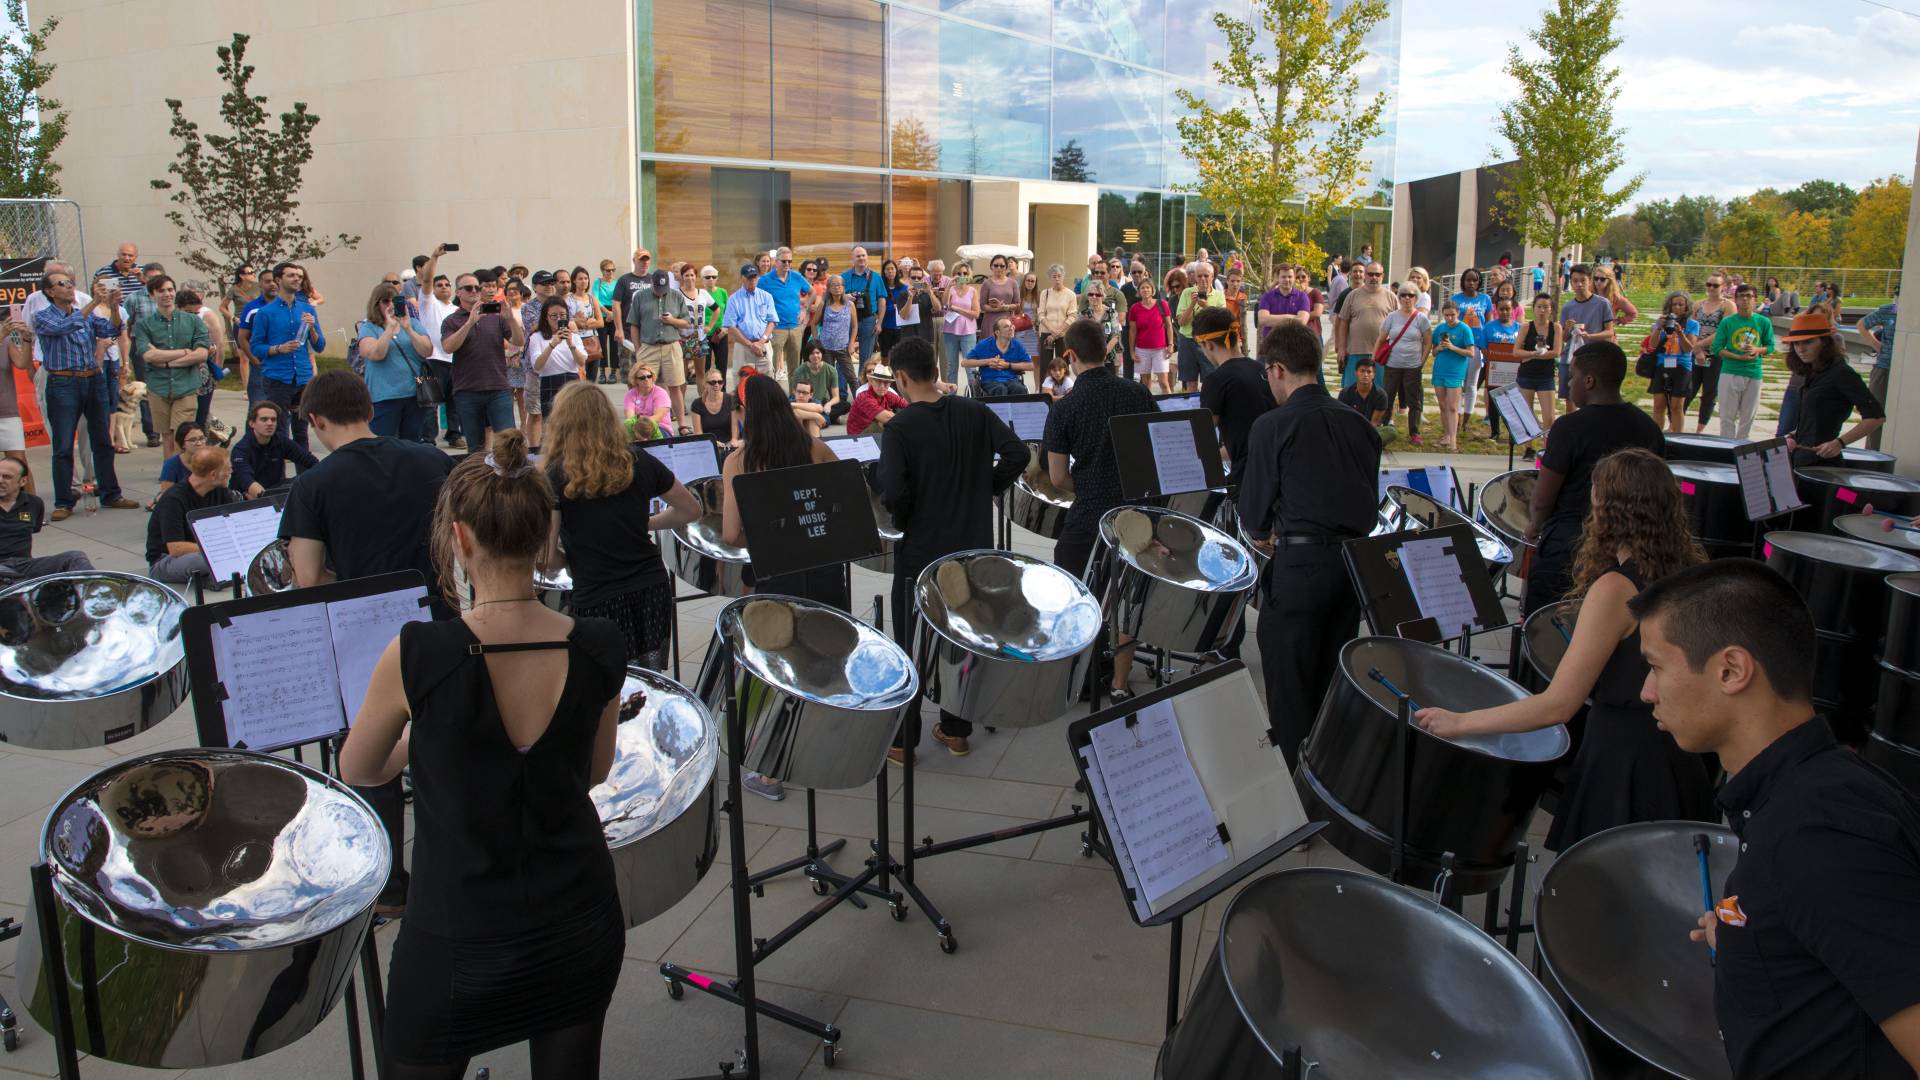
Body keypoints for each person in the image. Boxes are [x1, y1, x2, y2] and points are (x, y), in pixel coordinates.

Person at [338, 426, 625, 1080]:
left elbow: (358, 769)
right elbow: (593, 770)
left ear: (459, 540)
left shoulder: (418, 652)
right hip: (578, 916)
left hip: (455, 931)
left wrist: (423, 736)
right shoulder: (600, 643)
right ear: (546, 536)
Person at [1620, 561, 1920, 1079]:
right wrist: (1749, 938)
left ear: (1732, 670)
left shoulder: (1821, 834)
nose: (1647, 691)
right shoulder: (1805, 791)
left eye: (1656, 666)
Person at [1418, 448, 1714, 850]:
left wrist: (1460, 723)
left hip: (1625, 763)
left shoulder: (1616, 590)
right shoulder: (1689, 569)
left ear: (1609, 509)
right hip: (1676, 755)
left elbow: (1558, 705)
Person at [281, 371, 456, 921]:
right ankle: (448, 873)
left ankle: (391, 888)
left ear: (314, 421)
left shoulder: (314, 484)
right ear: (370, 408)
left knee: (371, 756)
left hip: (363, 640)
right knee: (440, 742)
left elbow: (307, 578)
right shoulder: (432, 459)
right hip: (438, 623)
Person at [1239, 323, 1383, 767]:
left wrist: (1269, 531)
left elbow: (1253, 517)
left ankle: (1297, 799)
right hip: (1353, 568)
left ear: (1277, 369)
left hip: (1301, 568)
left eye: (1268, 374)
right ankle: (1329, 782)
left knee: (1290, 685)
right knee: (1331, 678)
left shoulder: (1272, 425)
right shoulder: (1361, 425)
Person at [876, 336, 1027, 757]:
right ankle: (956, 730)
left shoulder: (900, 427)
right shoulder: (974, 411)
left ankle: (906, 741)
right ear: (937, 370)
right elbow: (1016, 454)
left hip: (923, 550)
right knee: (964, 633)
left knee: (910, 639)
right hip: (972, 549)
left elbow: (890, 491)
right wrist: (987, 489)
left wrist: (904, 515)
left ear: (902, 378)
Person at [720, 373, 848, 798]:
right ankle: (828, 746)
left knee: (778, 666)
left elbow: (732, 536)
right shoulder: (815, 448)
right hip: (825, 567)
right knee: (825, 655)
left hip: (777, 574)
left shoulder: (739, 462)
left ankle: (774, 770)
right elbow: (844, 499)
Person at [542, 381, 699, 670]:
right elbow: (690, 509)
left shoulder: (555, 475)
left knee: (603, 689)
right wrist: (646, 524)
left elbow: (547, 559)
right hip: (649, 588)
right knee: (646, 687)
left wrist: (573, 558)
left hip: (596, 594)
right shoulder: (637, 459)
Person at [1524, 341, 1665, 616]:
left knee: (1545, 628)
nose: (1569, 383)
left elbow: (1542, 499)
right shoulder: (1649, 427)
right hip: (1630, 549)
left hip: (1570, 546)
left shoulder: (1569, 427)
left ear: (1589, 381)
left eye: (1573, 376)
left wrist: (1534, 525)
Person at [1041, 318, 1157, 578]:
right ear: (1106, 352)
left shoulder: (1064, 408)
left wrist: (1093, 485)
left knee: (1071, 576)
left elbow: (1058, 477)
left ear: (1070, 355)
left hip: (1090, 517)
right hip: (1140, 517)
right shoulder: (1139, 393)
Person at [32, 267, 136, 519]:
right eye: (62, 283)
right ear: (50, 291)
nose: (69, 287)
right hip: (63, 383)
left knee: (102, 440)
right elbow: (65, 326)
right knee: (63, 444)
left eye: (70, 283)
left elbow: (111, 329)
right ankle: (64, 501)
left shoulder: (86, 315)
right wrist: (96, 302)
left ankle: (111, 493)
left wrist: (111, 306)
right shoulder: (43, 316)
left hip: (93, 380)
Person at [1782, 310, 1884, 466]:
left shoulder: (1841, 373)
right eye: (1796, 343)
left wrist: (1839, 443)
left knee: (1846, 492)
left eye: (1808, 342)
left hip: (1824, 465)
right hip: (1802, 459)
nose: (1801, 349)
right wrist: (1798, 433)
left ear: (1824, 342)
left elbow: (1876, 417)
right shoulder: (1813, 371)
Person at [441, 270, 525, 451]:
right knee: (476, 449)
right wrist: (469, 323)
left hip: (499, 388)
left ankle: (510, 478)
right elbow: (448, 347)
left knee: (509, 444)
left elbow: (519, 341)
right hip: (467, 391)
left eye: (476, 288)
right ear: (459, 292)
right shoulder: (451, 320)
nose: (474, 291)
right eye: (468, 288)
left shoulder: (496, 316)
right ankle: (480, 479)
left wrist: (510, 320)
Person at [130, 275, 210, 461]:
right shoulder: (144, 325)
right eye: (161, 291)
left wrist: (165, 360)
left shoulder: (192, 321)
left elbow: (201, 354)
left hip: (186, 386)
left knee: (181, 437)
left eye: (170, 289)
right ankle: (169, 480)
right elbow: (148, 355)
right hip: (158, 387)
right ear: (152, 295)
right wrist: (184, 352)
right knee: (166, 437)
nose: (167, 294)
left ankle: (181, 478)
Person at [248, 263, 325, 450]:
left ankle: (304, 478)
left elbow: (320, 345)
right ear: (278, 280)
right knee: (278, 431)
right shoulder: (265, 313)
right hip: (277, 378)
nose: (297, 279)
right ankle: (277, 477)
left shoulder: (307, 309)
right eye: (291, 275)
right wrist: (278, 349)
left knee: (301, 433)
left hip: (303, 377)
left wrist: (313, 327)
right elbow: (256, 347)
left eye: (299, 276)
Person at [1197, 306, 1275, 476]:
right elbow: (1245, 438)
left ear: (1208, 345)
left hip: (1247, 476)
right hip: (1275, 466)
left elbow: (1203, 436)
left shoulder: (1216, 381)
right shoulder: (1263, 369)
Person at [144, 447, 238, 582]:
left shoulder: (221, 491)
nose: (231, 472)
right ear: (213, 475)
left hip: (208, 551)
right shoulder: (173, 500)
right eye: (227, 469)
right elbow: (176, 548)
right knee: (204, 561)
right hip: (166, 561)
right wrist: (216, 548)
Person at [358, 283, 436, 443]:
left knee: (411, 442)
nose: (391, 305)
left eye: (395, 300)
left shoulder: (413, 323)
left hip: (414, 395)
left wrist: (408, 329)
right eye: (385, 301)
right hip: (384, 396)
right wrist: (389, 329)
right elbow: (376, 354)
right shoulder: (369, 327)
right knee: (382, 443)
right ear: (376, 304)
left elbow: (427, 350)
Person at [0, 458, 93, 584]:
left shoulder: (34, 503)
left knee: (75, 558)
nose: (0, 480)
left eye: (6, 477)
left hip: (24, 565)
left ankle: (92, 595)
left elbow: (35, 529)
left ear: (22, 481)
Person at [1705, 284, 1774, 440]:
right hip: (1730, 371)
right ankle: (1726, 449)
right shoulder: (1728, 322)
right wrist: (1737, 357)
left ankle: (1743, 448)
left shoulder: (1763, 322)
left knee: (1747, 417)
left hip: (1753, 372)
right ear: (1735, 299)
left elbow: (1770, 346)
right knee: (1727, 417)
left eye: (1749, 296)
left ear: (1755, 299)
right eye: (1741, 296)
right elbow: (1716, 348)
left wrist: (1757, 350)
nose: (1745, 300)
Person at [528, 296, 589, 443]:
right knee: (552, 426)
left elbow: (581, 361)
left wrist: (570, 343)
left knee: (575, 425)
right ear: (546, 317)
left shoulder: (573, 337)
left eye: (562, 316)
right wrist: (552, 344)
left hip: (571, 381)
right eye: (553, 316)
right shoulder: (537, 337)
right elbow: (537, 366)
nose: (558, 319)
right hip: (550, 381)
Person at [1377, 284, 1431, 446]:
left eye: (1411, 295)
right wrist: (1374, 359)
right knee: (1387, 396)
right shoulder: (1392, 317)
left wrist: (1421, 362)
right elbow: (1381, 339)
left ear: (1416, 298)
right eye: (1403, 295)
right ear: (1399, 298)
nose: (1407, 298)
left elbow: (1428, 342)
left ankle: (1414, 432)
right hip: (1392, 364)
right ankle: (1385, 428)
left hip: (1412, 365)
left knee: (1414, 401)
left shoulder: (1421, 318)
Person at [1558, 265, 1616, 411]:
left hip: (1593, 357)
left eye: (1583, 280)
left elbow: (1609, 332)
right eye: (1575, 281)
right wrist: (1568, 328)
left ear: (1589, 281)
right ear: (1570, 282)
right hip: (1571, 357)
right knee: (1570, 397)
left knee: (1592, 396)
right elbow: (1564, 338)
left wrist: (1590, 336)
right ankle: (1571, 428)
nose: (1579, 284)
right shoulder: (1567, 307)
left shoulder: (1602, 303)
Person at [1687, 273, 1737, 433]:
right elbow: (1691, 327)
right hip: (1695, 351)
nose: (1711, 288)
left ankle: (1700, 429)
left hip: (1715, 353)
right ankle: (1676, 422)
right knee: (1688, 389)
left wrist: (1700, 345)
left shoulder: (1727, 306)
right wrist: (1696, 348)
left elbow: (1723, 330)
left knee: (1709, 392)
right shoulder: (1698, 304)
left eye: (1715, 285)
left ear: (1723, 287)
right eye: (1709, 284)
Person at [1646, 291, 1699, 434]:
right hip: (1662, 364)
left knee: (1676, 405)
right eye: (1674, 304)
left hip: (1681, 365)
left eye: (1680, 304)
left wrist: (1680, 333)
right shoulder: (1661, 322)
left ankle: (1678, 436)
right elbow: (1653, 344)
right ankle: (1657, 436)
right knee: (1658, 404)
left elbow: (1689, 348)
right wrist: (1658, 328)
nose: (1677, 307)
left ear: (1686, 307)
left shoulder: (1692, 324)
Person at [1333, 262, 1393, 389]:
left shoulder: (1391, 297)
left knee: (1380, 391)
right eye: (1370, 274)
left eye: (1377, 274)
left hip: (1381, 353)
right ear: (1365, 275)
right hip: (1355, 351)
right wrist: (1341, 347)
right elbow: (1343, 322)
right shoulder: (1352, 295)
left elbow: (1398, 324)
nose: (1374, 277)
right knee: (1351, 390)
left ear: (1383, 276)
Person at [721, 264, 776, 393]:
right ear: (742, 278)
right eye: (749, 278)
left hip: (764, 345)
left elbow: (772, 321)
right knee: (742, 383)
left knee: (767, 382)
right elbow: (730, 326)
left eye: (755, 278)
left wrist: (761, 342)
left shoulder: (766, 296)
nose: (752, 281)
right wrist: (751, 345)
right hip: (743, 347)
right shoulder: (733, 299)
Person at [1429, 301, 1475, 450]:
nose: (1449, 318)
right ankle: (1447, 435)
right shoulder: (1440, 328)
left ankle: (1453, 439)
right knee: (1442, 405)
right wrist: (1439, 348)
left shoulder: (1464, 329)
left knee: (1453, 406)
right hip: (1440, 370)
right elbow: (1433, 352)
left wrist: (1453, 347)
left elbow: (1471, 353)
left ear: (1458, 313)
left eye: (1452, 315)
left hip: (1455, 372)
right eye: (1447, 315)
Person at [1174, 262, 1226, 390]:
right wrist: (1192, 304)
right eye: (1200, 276)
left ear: (1212, 277)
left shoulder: (1219, 296)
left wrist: (1205, 306)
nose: (1203, 279)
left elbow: (1222, 321)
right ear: (1195, 277)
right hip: (1187, 340)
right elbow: (1181, 322)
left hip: (1209, 342)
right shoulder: (1187, 293)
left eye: (1206, 276)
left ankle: (1206, 407)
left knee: (1210, 379)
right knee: (1190, 381)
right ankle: (1193, 409)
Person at [759, 247, 808, 381]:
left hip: (795, 326)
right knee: (772, 367)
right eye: (784, 261)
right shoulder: (765, 280)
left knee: (795, 367)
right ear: (776, 261)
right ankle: (773, 398)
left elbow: (812, 292)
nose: (787, 264)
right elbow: (756, 298)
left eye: (789, 261)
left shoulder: (796, 276)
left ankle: (793, 397)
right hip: (776, 327)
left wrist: (805, 309)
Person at [1857, 301, 1897, 451]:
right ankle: (1873, 453)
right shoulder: (1890, 310)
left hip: (1907, 370)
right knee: (1875, 414)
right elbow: (1862, 325)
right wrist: (1877, 346)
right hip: (1884, 368)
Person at [963, 316, 1034, 397]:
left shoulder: (1017, 345)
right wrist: (988, 361)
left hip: (1012, 379)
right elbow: (965, 363)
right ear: (997, 332)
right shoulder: (984, 344)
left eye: (1011, 326)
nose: (1011, 328)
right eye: (1006, 327)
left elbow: (1031, 366)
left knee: (1019, 389)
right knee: (1000, 389)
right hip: (990, 380)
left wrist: (1008, 365)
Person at [1128, 275, 1175, 394]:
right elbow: (1132, 331)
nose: (1145, 290)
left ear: (1153, 290)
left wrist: (1170, 344)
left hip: (1160, 349)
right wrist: (1132, 351)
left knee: (1164, 383)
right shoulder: (1135, 308)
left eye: (1148, 287)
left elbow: (1169, 326)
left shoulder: (1162, 304)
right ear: (1138, 291)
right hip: (1142, 350)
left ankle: (1169, 409)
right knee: (1145, 383)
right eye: (1142, 288)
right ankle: (1149, 409)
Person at [816, 272, 859, 401]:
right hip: (826, 348)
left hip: (843, 347)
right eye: (834, 285)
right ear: (828, 288)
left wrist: (852, 343)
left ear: (844, 287)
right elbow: (814, 323)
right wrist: (817, 343)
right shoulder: (824, 304)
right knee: (829, 377)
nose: (837, 287)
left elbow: (855, 326)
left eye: (840, 285)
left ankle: (861, 404)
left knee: (851, 377)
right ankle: (833, 404)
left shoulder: (850, 305)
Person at [841, 247, 887, 363]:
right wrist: (845, 297)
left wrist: (880, 323)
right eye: (858, 256)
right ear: (852, 259)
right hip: (847, 320)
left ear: (867, 257)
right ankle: (842, 382)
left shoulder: (876, 277)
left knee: (866, 358)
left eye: (863, 255)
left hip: (868, 320)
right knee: (844, 356)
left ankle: (862, 381)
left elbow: (882, 301)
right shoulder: (843, 277)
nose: (861, 258)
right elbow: (833, 298)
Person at [941, 263, 981, 385]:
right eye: (959, 273)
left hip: (968, 332)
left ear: (969, 276)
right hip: (950, 331)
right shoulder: (951, 289)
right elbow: (944, 306)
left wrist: (957, 309)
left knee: (970, 366)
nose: (962, 275)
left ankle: (973, 394)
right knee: (951, 366)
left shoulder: (972, 291)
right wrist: (948, 286)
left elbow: (976, 314)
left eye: (965, 273)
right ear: (953, 275)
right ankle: (952, 397)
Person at [848, 359, 907, 436]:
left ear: (889, 384)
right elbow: (886, 418)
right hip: (857, 436)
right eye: (879, 381)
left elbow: (906, 404)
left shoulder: (888, 394)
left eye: (886, 382)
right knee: (884, 423)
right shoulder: (864, 397)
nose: (882, 386)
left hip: (871, 431)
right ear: (872, 381)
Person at [1036, 264, 1078, 373]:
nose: (1057, 279)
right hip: (1046, 332)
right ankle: (1044, 389)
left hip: (1063, 334)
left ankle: (1063, 390)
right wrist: (1052, 331)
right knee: (1045, 366)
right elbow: (1041, 314)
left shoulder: (1071, 294)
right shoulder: (1045, 293)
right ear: (1050, 278)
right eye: (1054, 276)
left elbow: (1072, 316)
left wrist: (1056, 333)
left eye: (1059, 276)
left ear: (1063, 276)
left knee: (1063, 365)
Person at [791, 343, 844, 425]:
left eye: (818, 353)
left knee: (845, 405)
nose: (815, 356)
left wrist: (828, 404)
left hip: (822, 403)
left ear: (822, 353)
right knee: (794, 408)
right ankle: (826, 417)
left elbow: (836, 397)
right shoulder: (799, 371)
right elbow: (795, 394)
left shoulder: (831, 370)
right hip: (805, 402)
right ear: (807, 355)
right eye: (812, 353)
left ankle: (811, 417)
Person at [155, 421, 208, 500]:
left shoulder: (211, 460)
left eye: (201, 438)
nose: (199, 443)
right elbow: (167, 496)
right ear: (182, 444)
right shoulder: (172, 465)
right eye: (193, 440)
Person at [1338, 356, 1391, 431]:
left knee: (1391, 432)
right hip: (1350, 429)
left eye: (1369, 372)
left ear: (1374, 374)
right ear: (1356, 373)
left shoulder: (1381, 395)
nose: (1365, 375)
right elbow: (1343, 418)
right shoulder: (1345, 393)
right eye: (1362, 371)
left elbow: (1374, 422)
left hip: (1371, 430)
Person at [688, 368, 739, 444]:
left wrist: (734, 441)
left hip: (729, 443)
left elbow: (735, 428)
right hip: (707, 444)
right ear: (705, 384)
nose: (717, 385)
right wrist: (713, 443)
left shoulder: (731, 400)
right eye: (713, 382)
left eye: (720, 382)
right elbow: (698, 433)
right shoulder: (697, 404)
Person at [622, 364, 671, 442]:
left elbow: (657, 418)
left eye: (649, 376)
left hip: (659, 427)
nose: (646, 379)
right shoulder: (630, 394)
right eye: (642, 378)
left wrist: (641, 429)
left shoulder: (661, 393)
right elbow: (630, 418)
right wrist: (638, 430)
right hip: (636, 428)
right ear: (636, 380)